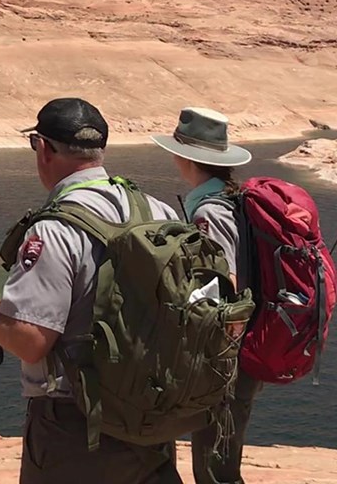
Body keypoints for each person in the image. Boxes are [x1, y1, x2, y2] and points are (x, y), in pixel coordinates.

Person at [0, 97, 183, 484]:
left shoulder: (55, 229)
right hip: (153, 416)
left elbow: (30, 341)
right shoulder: (159, 212)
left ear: (42, 148)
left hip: (77, 430)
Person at [151, 106, 262, 484]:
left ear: (185, 156)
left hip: (225, 356)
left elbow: (222, 281)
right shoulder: (235, 198)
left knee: (215, 470)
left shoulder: (210, 212)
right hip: (242, 347)